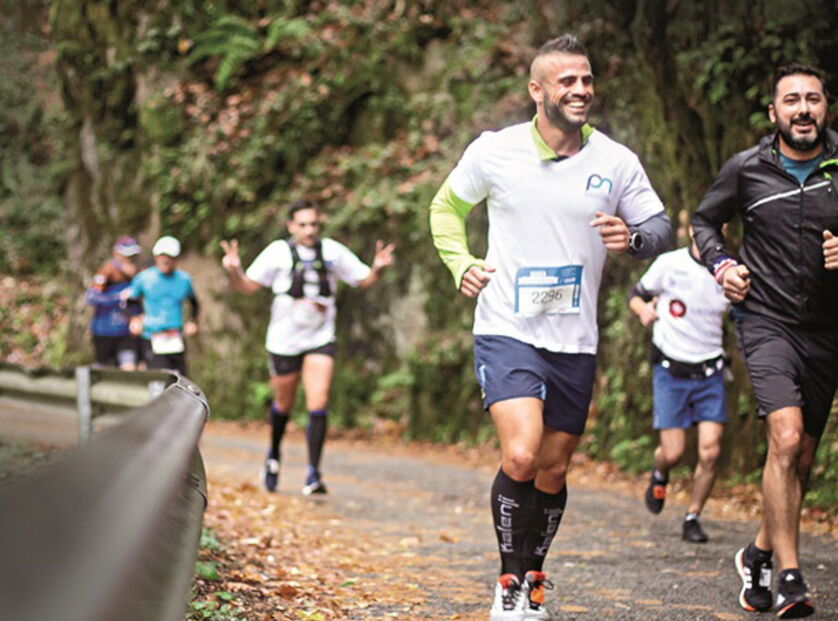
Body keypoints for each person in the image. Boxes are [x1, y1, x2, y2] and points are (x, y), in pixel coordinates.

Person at [429, 34, 671, 621]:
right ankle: (508, 583)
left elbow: (659, 225)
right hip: (507, 327)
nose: (581, 90)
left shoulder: (615, 161)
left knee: (555, 467)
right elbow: (445, 208)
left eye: (586, 79)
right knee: (521, 455)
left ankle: (534, 576)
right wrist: (461, 263)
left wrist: (634, 238)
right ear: (537, 91)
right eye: (568, 81)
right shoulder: (496, 151)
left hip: (574, 337)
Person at [692, 63, 838, 619]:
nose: (803, 109)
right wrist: (723, 265)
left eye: (813, 99)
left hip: (824, 329)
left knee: (802, 457)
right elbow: (703, 224)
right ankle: (790, 577)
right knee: (784, 438)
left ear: (826, 108)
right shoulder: (747, 169)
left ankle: (758, 553)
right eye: (791, 100)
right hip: (764, 320)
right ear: (773, 113)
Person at [220, 199, 394, 496]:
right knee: (283, 403)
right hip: (284, 339)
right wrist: (234, 271)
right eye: (302, 225)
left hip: (320, 337)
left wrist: (377, 268)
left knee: (319, 400)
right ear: (291, 226)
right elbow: (248, 286)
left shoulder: (332, 251)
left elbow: (363, 280)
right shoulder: (277, 252)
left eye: (313, 224)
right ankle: (273, 454)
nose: (309, 230)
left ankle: (313, 473)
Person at [630, 226, 730, 543]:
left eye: (719, 227)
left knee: (711, 450)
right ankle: (660, 473)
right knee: (672, 452)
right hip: (671, 369)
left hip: (710, 370)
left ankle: (692, 516)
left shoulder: (728, 271)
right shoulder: (670, 264)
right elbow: (636, 294)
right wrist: (644, 310)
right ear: (691, 231)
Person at [125, 235, 200, 375]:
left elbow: (194, 303)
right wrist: (135, 318)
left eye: (169, 257)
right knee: (159, 377)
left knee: (179, 377)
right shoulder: (144, 278)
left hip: (175, 336)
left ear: (176, 258)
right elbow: (130, 301)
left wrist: (192, 321)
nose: (165, 260)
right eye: (162, 256)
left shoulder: (184, 279)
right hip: (152, 335)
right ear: (156, 257)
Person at [85, 236, 143, 370]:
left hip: (126, 333)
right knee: (103, 369)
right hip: (104, 331)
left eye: (133, 256)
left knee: (129, 368)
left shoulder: (138, 274)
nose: (129, 259)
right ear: (116, 254)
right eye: (126, 255)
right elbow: (91, 297)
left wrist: (138, 317)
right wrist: (118, 297)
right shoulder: (107, 271)